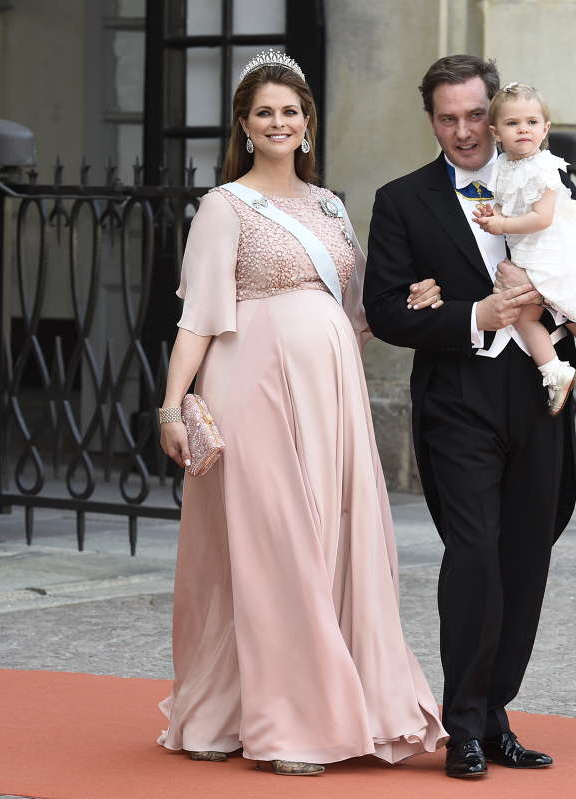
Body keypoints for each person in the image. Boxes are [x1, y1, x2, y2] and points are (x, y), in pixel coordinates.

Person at [155, 50, 447, 778]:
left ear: (307, 122)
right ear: (244, 125)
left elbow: (360, 308)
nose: (278, 122)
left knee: (328, 539)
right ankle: (273, 720)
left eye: (290, 111)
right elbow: (197, 319)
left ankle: (302, 707)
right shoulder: (223, 206)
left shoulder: (330, 207)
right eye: (264, 112)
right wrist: (171, 407)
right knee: (270, 544)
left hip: (330, 388)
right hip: (248, 385)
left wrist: (416, 297)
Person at [364, 54, 576, 779]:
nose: (463, 131)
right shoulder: (402, 201)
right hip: (458, 399)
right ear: (430, 120)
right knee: (475, 556)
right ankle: (463, 727)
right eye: (447, 118)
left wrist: (554, 308)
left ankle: (494, 713)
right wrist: (470, 315)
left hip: (539, 392)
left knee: (527, 553)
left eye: (475, 115)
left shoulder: (548, 180)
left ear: (499, 110)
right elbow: (386, 310)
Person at [474, 81, 576, 414]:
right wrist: (495, 214)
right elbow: (507, 203)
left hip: (552, 247)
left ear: (545, 129)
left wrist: (502, 225)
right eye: (512, 123)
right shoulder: (504, 166)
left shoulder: (544, 167)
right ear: (496, 133)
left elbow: (542, 217)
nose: (523, 129)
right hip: (531, 247)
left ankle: (563, 370)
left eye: (531, 122)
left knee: (542, 311)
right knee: (550, 310)